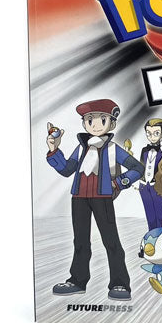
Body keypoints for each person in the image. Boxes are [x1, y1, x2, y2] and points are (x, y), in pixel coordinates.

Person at [46, 99, 143, 300]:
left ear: (112, 123)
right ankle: (77, 280)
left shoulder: (113, 149)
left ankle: (120, 283)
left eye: (102, 120)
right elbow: (66, 169)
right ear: (84, 124)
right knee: (80, 241)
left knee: (111, 241)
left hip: (102, 198)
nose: (95, 125)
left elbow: (138, 168)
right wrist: (54, 149)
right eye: (90, 120)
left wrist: (119, 182)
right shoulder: (81, 148)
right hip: (79, 197)